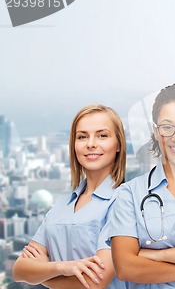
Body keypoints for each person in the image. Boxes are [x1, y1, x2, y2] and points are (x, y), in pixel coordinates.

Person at [108, 84, 175, 288]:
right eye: (168, 127)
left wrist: (159, 255)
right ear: (156, 131)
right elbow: (126, 268)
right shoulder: (130, 194)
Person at [12, 104, 127, 289]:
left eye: (102, 135)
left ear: (119, 144)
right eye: (82, 136)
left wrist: (43, 274)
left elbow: (94, 281)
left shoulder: (124, 202)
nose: (91, 143)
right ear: (74, 145)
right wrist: (63, 267)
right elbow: (19, 270)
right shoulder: (61, 205)